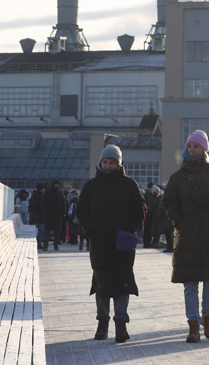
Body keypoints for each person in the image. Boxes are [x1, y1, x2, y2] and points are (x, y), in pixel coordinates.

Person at [163, 130, 209, 343]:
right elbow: (169, 202)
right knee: (190, 282)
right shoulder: (178, 178)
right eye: (190, 146)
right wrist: (180, 223)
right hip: (188, 236)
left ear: (205, 149)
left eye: (197, 146)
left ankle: (208, 318)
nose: (193, 149)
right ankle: (193, 325)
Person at [76, 145, 145, 343]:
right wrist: (90, 229)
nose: (108, 165)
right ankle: (102, 322)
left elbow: (138, 211)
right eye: (105, 161)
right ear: (100, 162)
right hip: (99, 242)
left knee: (123, 283)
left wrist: (129, 228)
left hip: (122, 243)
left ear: (119, 164)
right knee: (102, 283)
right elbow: (82, 211)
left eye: (112, 162)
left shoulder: (129, 185)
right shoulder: (92, 186)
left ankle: (121, 323)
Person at [43, 180, 66, 251]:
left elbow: (63, 203)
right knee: (47, 230)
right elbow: (43, 203)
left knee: (57, 231)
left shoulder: (60, 193)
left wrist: (63, 212)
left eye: (58, 185)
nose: (57, 186)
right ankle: (45, 245)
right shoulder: (48, 193)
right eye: (56, 184)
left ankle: (56, 245)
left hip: (57, 215)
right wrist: (46, 211)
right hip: (49, 215)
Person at [152, 185, 175, 252]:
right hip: (172, 216)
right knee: (171, 233)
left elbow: (161, 207)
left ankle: (169, 247)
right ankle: (172, 247)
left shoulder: (164, 196)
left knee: (167, 233)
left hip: (165, 217)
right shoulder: (174, 196)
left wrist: (159, 216)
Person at [144, 183, 162, 247]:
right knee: (152, 228)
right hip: (152, 213)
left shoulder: (148, 195)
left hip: (150, 213)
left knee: (149, 228)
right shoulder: (152, 196)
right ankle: (151, 242)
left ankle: (148, 242)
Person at [30, 184, 47, 250]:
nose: (44, 190)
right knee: (40, 230)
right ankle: (38, 244)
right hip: (39, 216)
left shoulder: (36, 196)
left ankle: (39, 243)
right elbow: (37, 206)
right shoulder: (37, 196)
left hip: (40, 216)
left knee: (41, 230)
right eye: (43, 189)